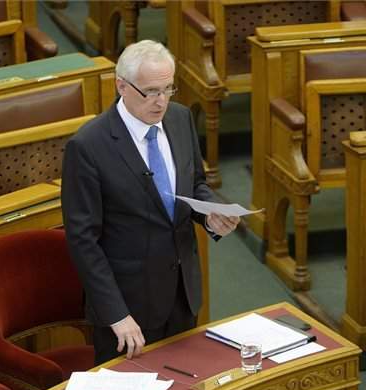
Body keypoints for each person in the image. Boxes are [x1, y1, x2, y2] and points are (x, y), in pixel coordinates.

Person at [62, 40, 239, 365]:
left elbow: (195, 183)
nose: (161, 101)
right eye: (151, 92)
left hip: (183, 295)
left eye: (168, 89)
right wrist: (116, 314)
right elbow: (82, 240)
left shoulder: (180, 119)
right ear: (122, 86)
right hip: (129, 311)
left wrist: (210, 213)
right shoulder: (88, 146)